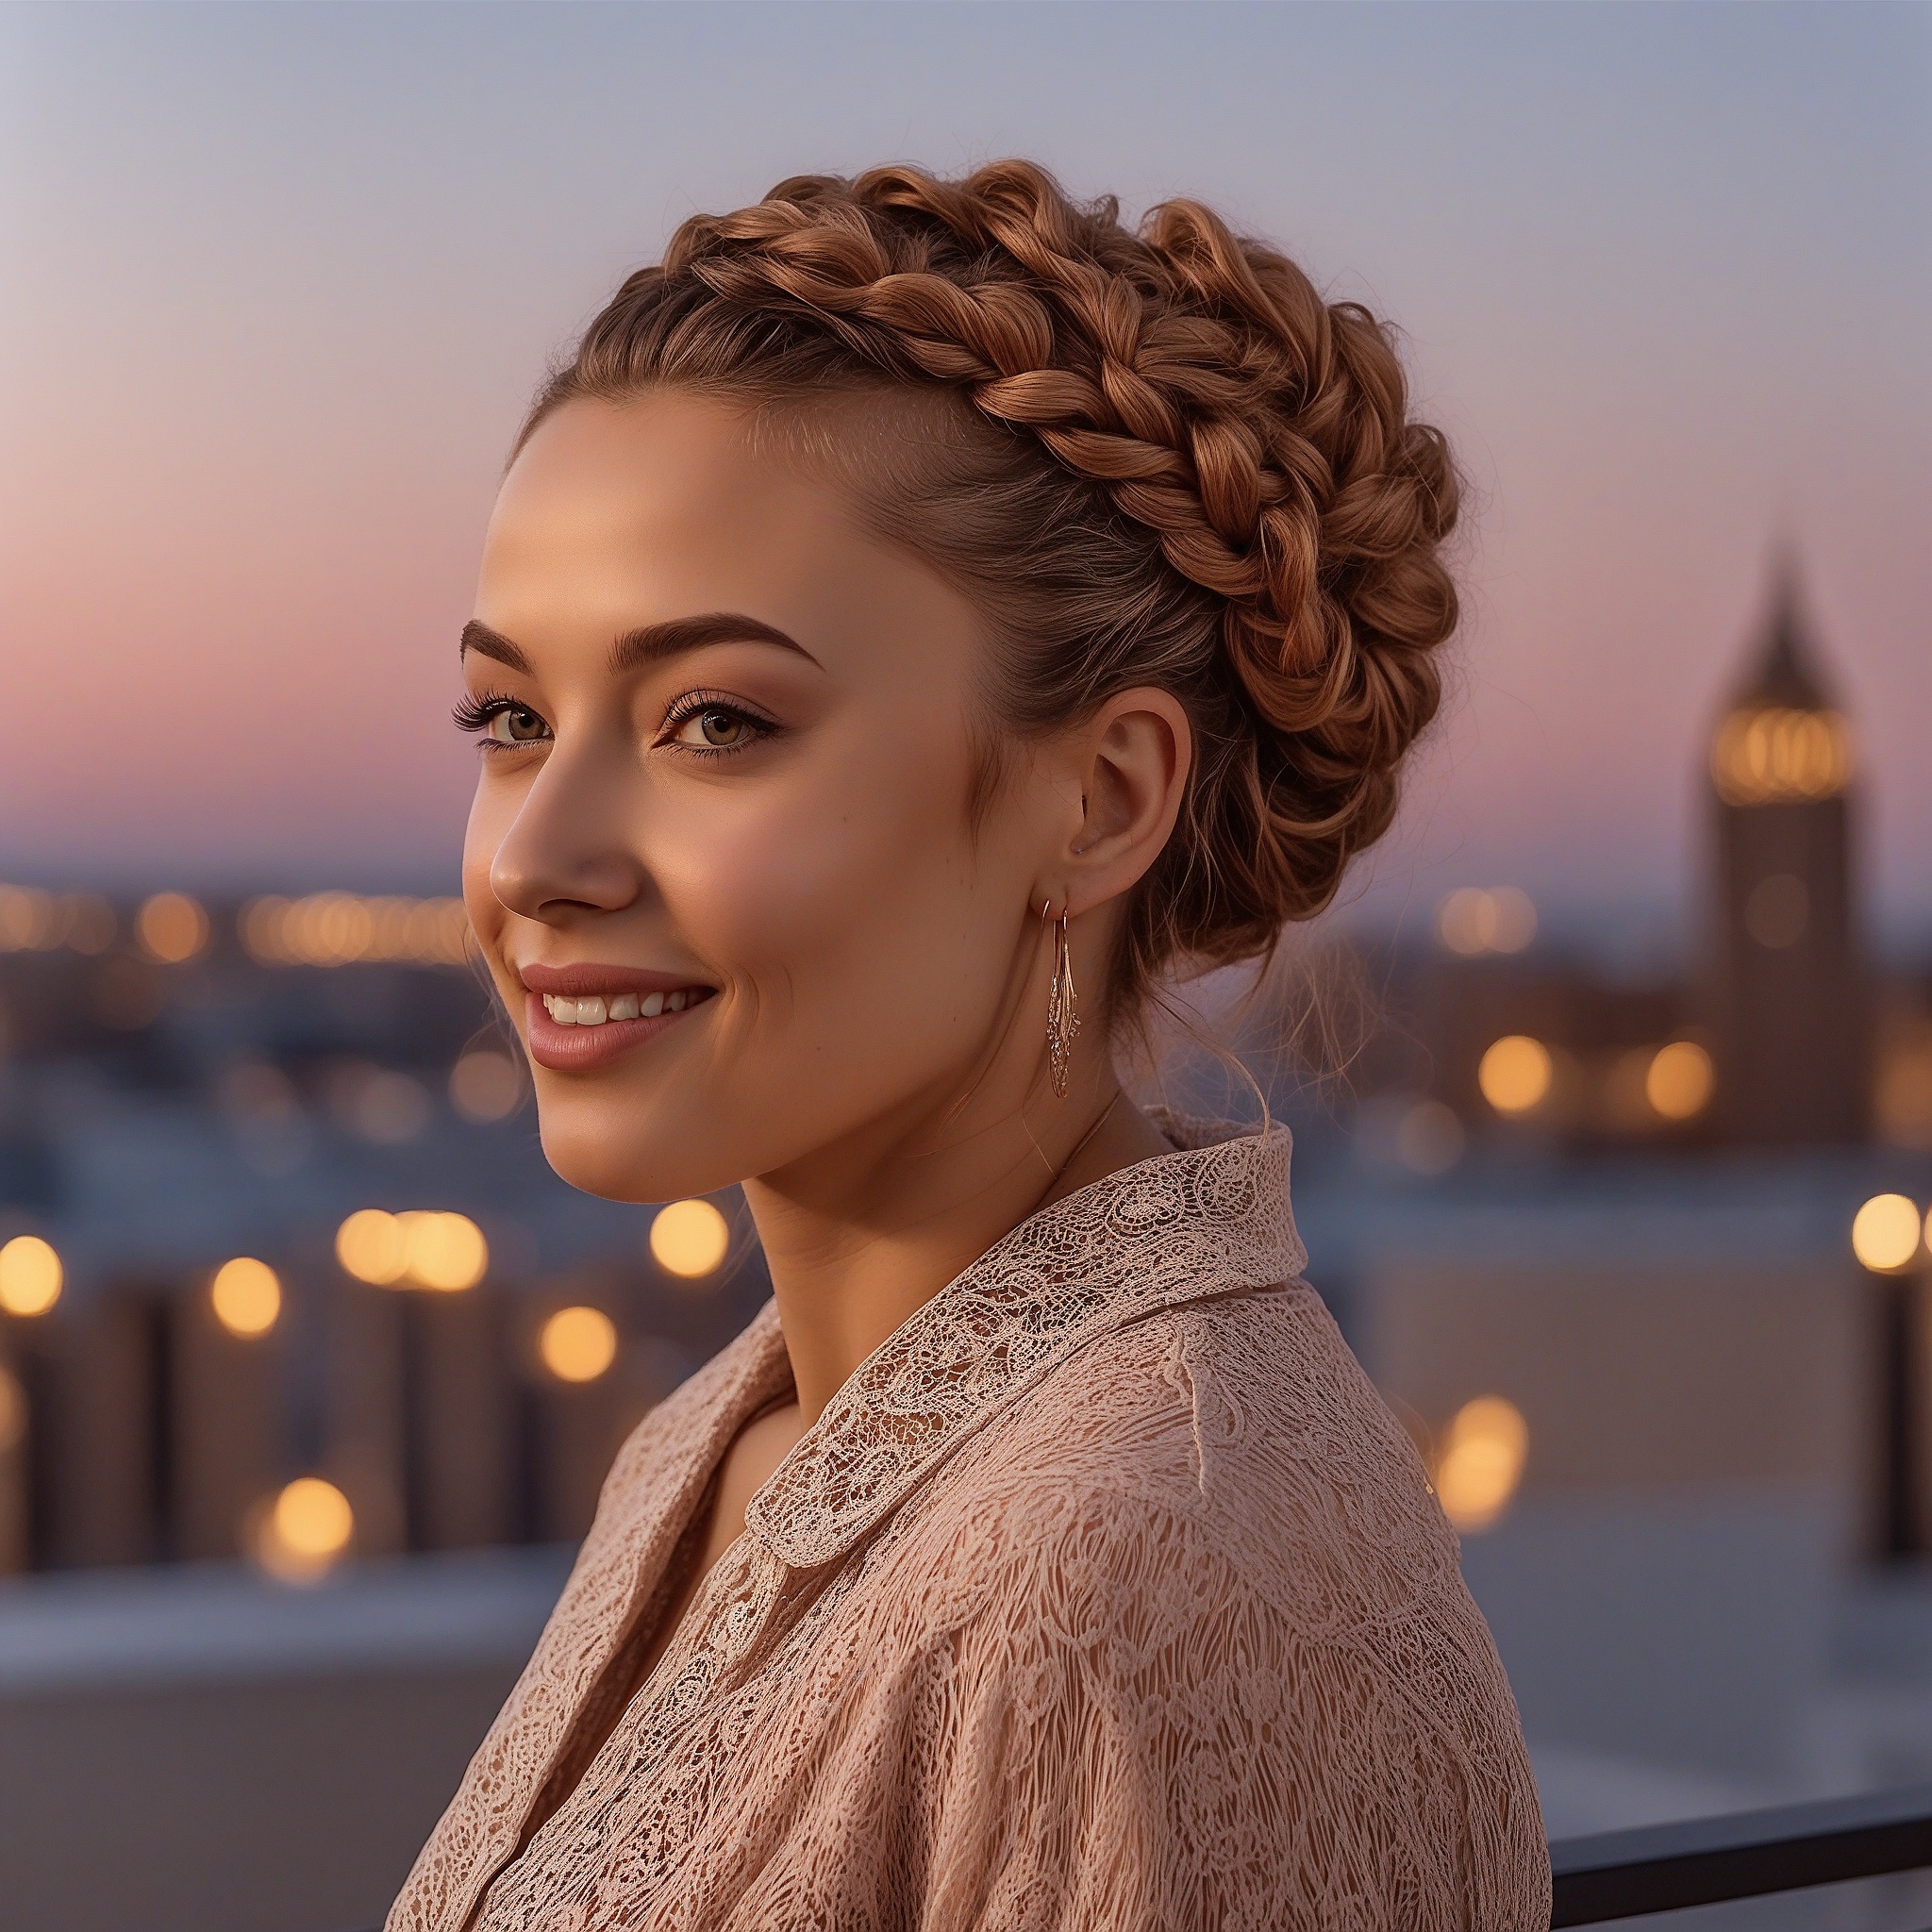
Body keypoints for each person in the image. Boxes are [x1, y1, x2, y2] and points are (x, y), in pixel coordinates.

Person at [391, 160, 1549, 1931]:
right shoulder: (720, 1435)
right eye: (510, 718)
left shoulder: (1140, 1563)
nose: (538, 854)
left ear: (1100, 800)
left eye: (716, 720)